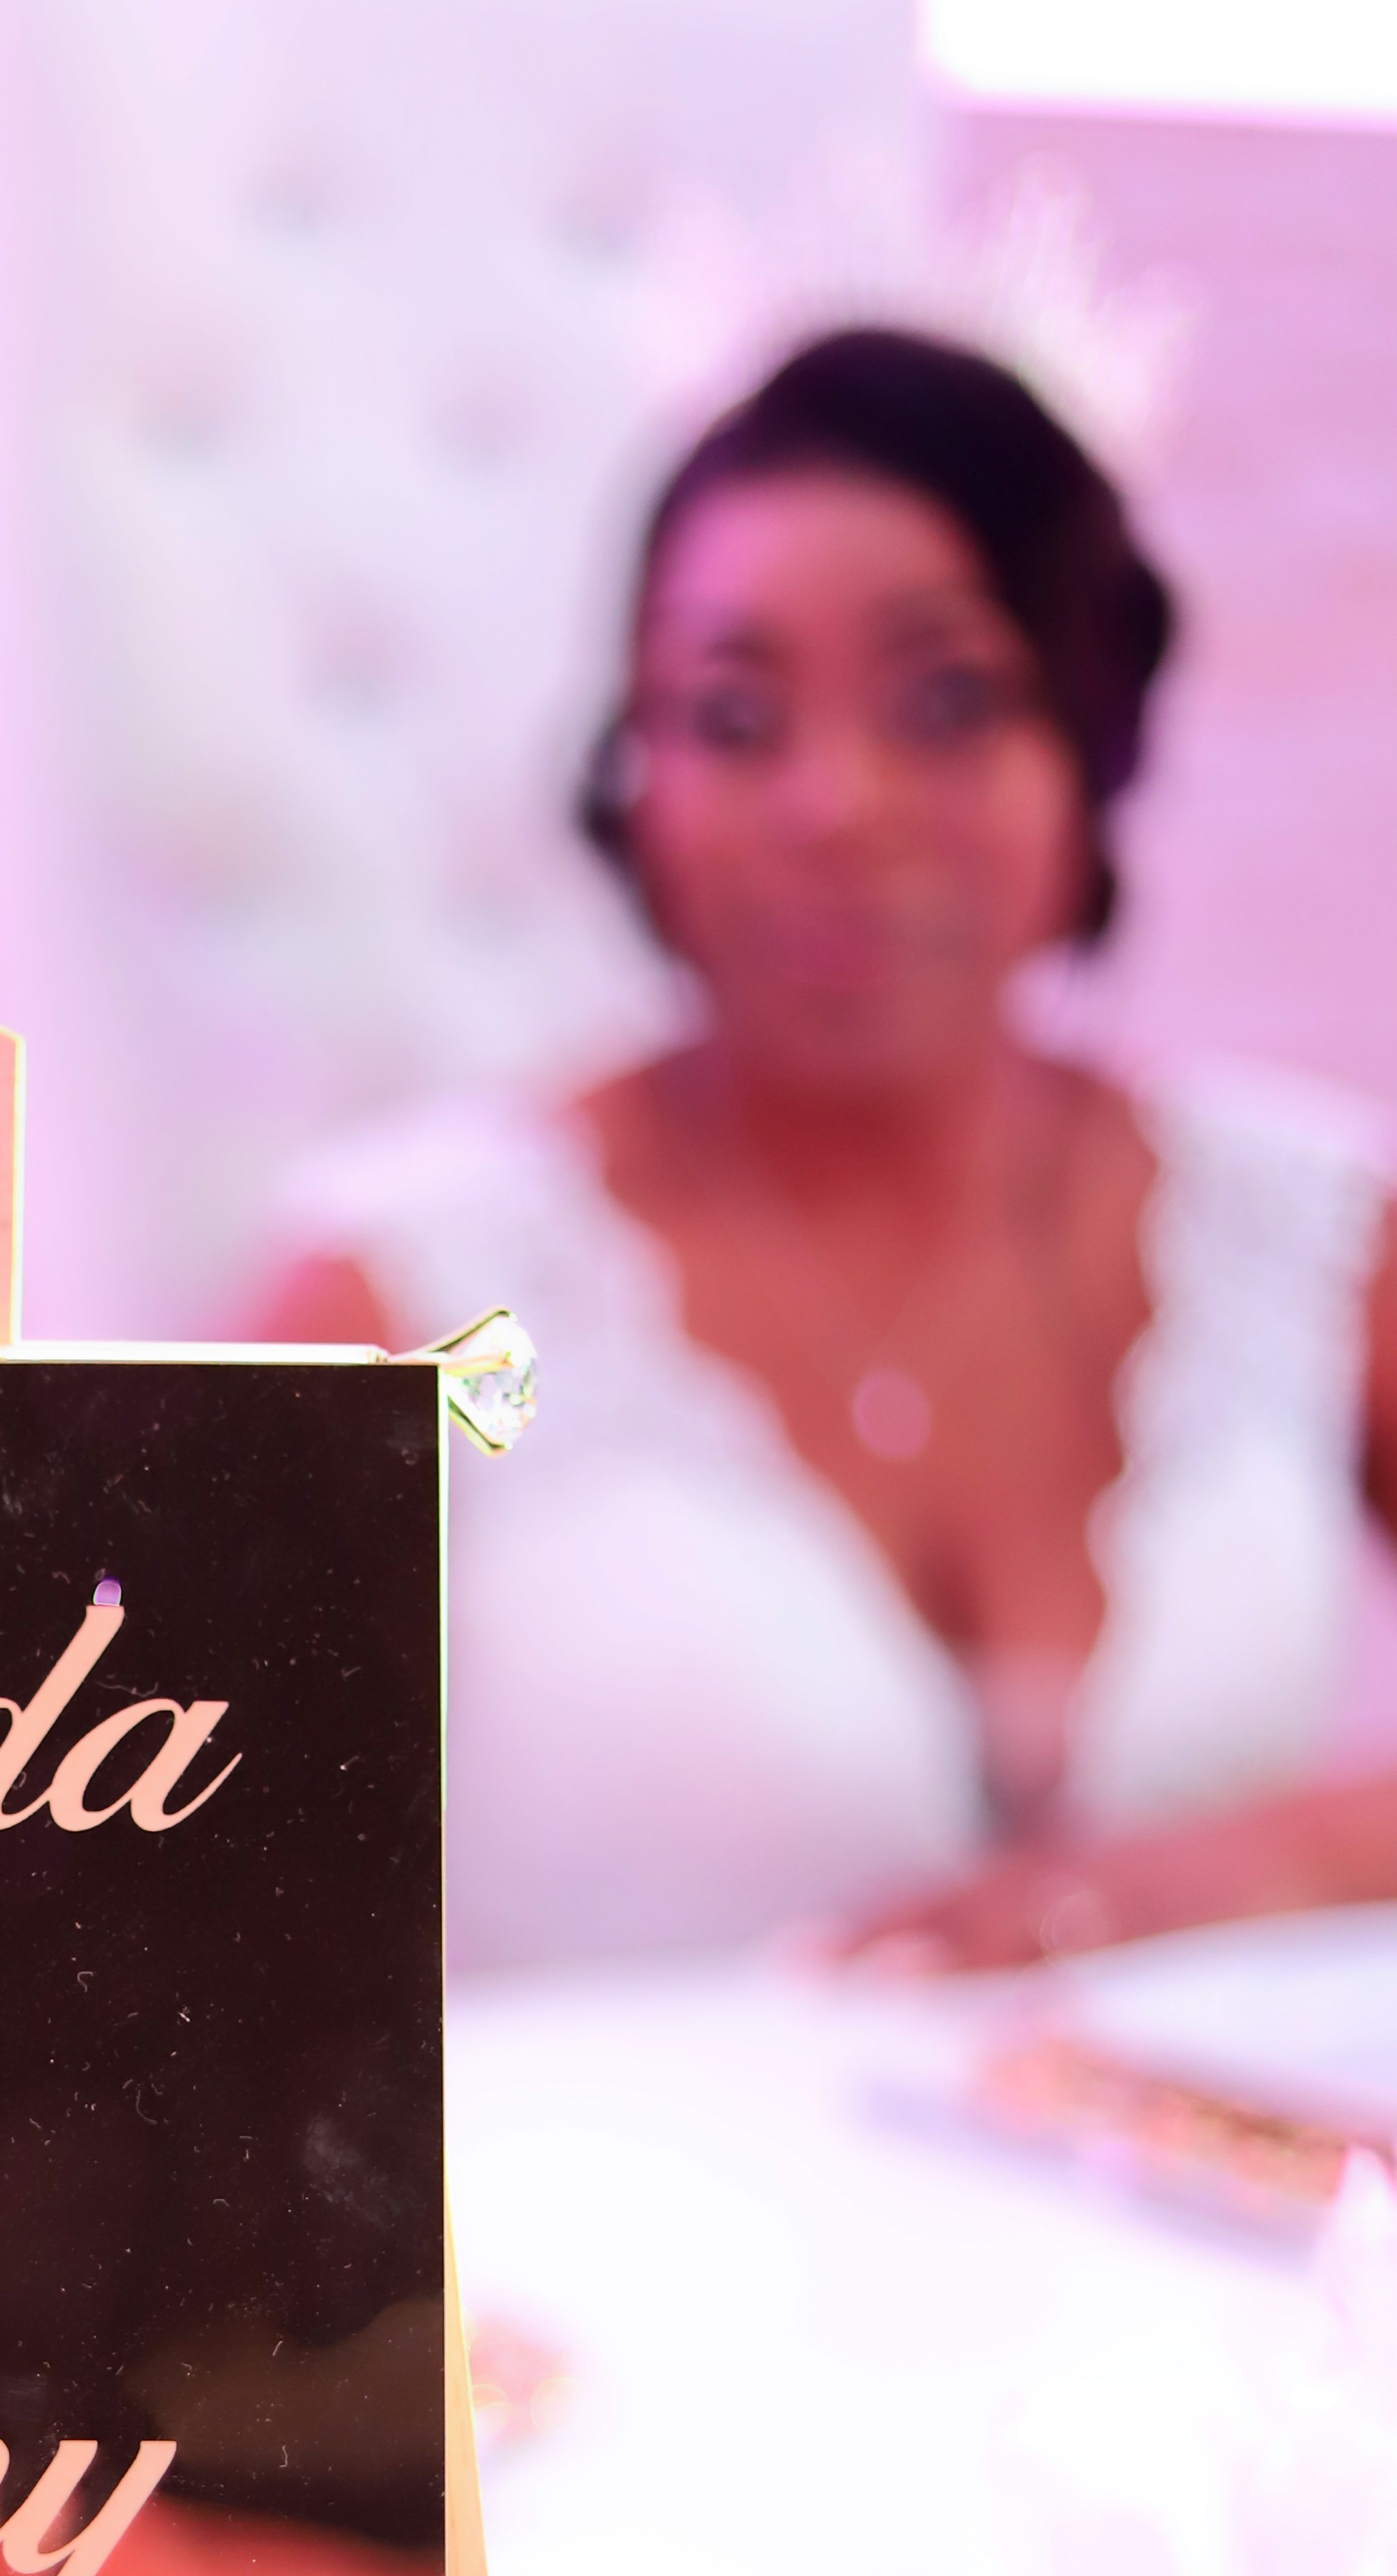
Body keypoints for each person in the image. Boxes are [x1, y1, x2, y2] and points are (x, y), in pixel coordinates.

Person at [269, 326, 1396, 1972]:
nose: (835, 805)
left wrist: (1245, 1868)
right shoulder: (418, 1301)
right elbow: (122, 1903)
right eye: (735, 719)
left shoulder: (1310, 1234)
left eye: (946, 702)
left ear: (1093, 737)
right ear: (632, 784)